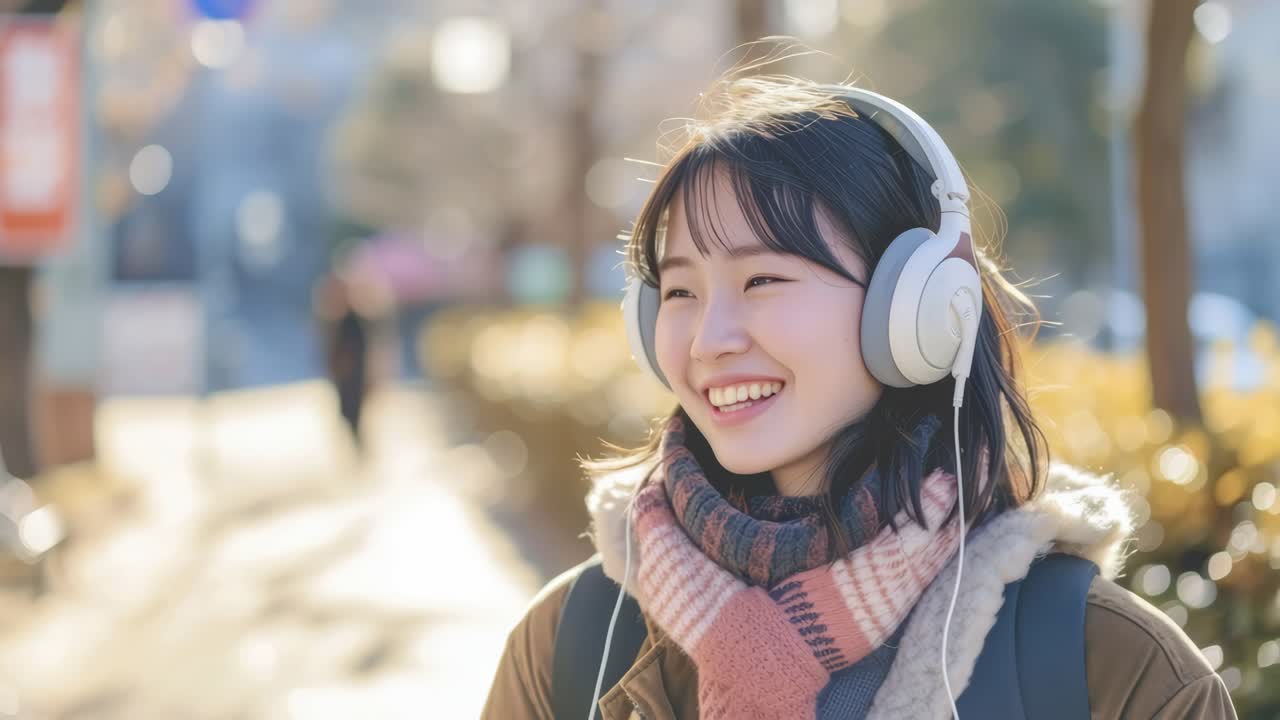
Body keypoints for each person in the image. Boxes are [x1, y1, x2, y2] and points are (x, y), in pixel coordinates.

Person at [481, 74, 1237, 719]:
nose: (709, 339)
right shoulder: (572, 643)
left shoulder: (1106, 666)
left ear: (914, 308)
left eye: (762, 279)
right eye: (679, 290)